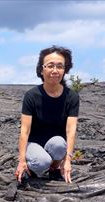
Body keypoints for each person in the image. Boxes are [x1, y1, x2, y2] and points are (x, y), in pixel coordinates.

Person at [14, 46, 80, 184]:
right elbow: (24, 131)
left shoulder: (71, 97)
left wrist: (68, 160)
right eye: (50, 66)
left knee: (60, 144)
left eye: (60, 66)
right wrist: (21, 160)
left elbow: (71, 130)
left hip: (55, 143)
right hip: (34, 143)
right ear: (42, 69)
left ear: (65, 70)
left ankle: (53, 168)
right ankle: (33, 168)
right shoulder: (31, 96)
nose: (55, 70)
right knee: (41, 162)